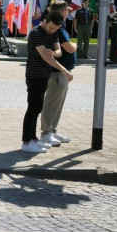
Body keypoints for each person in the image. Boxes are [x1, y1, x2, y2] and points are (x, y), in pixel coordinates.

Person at [23, 11, 74, 154]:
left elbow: (58, 52)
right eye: (50, 27)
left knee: (38, 107)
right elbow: (47, 58)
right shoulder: (35, 33)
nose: (52, 31)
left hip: (45, 75)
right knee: (33, 108)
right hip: (34, 75)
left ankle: (33, 139)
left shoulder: (53, 33)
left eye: (55, 29)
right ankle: (26, 141)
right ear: (45, 20)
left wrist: (52, 51)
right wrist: (65, 71)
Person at [39, 2, 76, 147]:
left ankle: (52, 130)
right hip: (56, 72)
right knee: (51, 103)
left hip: (62, 71)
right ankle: (46, 133)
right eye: (67, 10)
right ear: (62, 11)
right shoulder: (55, 28)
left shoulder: (60, 26)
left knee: (58, 103)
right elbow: (70, 48)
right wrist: (76, 45)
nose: (68, 12)